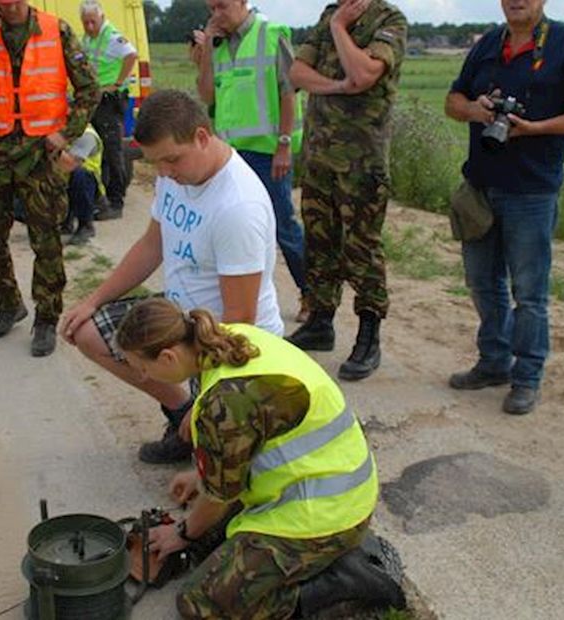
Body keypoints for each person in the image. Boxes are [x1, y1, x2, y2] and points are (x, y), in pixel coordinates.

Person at [115, 298, 404, 619]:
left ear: (168, 357)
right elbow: (256, 433)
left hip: (324, 516)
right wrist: (203, 474)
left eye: (142, 367)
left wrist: (180, 533)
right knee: (213, 536)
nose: (142, 376)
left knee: (201, 603)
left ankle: (345, 585)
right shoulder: (229, 338)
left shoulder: (225, 401)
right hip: (340, 489)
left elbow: (219, 496)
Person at [59, 89, 283, 464]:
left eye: (171, 161)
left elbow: (240, 323)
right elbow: (151, 245)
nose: (164, 173)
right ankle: (181, 412)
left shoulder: (237, 207)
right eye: (155, 164)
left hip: (225, 339)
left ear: (201, 136)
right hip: (182, 316)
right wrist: (92, 300)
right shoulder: (175, 176)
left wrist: (208, 405)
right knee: (88, 332)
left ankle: (198, 421)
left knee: (227, 473)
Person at [443, 0, 564, 415]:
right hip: (480, 186)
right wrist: (475, 110)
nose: (516, 1)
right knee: (482, 282)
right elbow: (452, 100)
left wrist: (534, 129)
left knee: (530, 294)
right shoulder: (488, 44)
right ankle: (494, 361)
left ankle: (527, 377)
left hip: (532, 190)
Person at [0, 0, 98, 356]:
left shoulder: (56, 29)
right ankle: (8, 304)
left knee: (45, 238)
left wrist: (67, 134)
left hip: (40, 150)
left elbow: (89, 88)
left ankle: (46, 318)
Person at [286, 0, 408, 382]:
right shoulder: (331, 12)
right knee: (320, 243)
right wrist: (338, 85)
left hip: (361, 162)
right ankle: (321, 322)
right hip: (320, 155)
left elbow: (366, 72)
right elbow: (297, 72)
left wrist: (340, 30)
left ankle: (369, 335)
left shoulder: (389, 20)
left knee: (361, 248)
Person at [192, 0, 310, 323]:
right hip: (229, 153)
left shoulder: (271, 34)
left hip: (268, 153)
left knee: (283, 225)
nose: (216, 14)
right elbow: (207, 96)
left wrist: (284, 145)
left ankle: (310, 293)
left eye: (223, 6)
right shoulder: (218, 44)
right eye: (211, 8)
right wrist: (205, 56)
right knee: (238, 228)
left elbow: (289, 93)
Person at [79, 0, 137, 221]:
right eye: (85, 22)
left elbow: (131, 55)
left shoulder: (111, 36)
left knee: (113, 153)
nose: (89, 26)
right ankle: (100, 200)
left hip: (110, 101)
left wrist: (118, 82)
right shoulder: (87, 37)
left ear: (101, 18)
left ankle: (116, 202)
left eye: (93, 21)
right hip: (96, 99)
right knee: (97, 152)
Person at [58, 126, 104, 246]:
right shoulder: (61, 131)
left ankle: (86, 225)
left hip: (89, 186)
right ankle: (64, 221)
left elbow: (70, 165)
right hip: (66, 179)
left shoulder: (86, 135)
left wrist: (48, 147)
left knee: (79, 175)